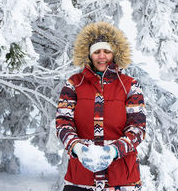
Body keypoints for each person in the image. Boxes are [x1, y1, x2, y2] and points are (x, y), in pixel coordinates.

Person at [56, 22, 146, 191]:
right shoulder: (74, 84)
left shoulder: (130, 86)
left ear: (115, 53)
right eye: (96, 52)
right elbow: (63, 123)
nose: (102, 56)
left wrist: (115, 150)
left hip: (122, 178)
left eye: (107, 51)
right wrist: (76, 147)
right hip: (81, 178)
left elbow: (138, 128)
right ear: (89, 55)